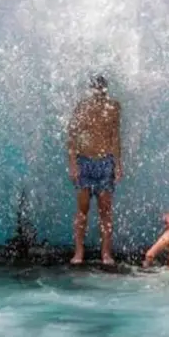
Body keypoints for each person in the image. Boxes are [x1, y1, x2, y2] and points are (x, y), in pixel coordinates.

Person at [67, 74, 123, 265]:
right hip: (85, 161)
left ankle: (106, 253)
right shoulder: (82, 106)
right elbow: (72, 136)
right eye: (96, 89)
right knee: (82, 210)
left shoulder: (114, 107)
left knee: (105, 211)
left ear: (106, 90)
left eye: (102, 89)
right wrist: (73, 163)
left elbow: (115, 136)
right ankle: (79, 252)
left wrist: (118, 164)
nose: (99, 92)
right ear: (91, 90)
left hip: (105, 162)